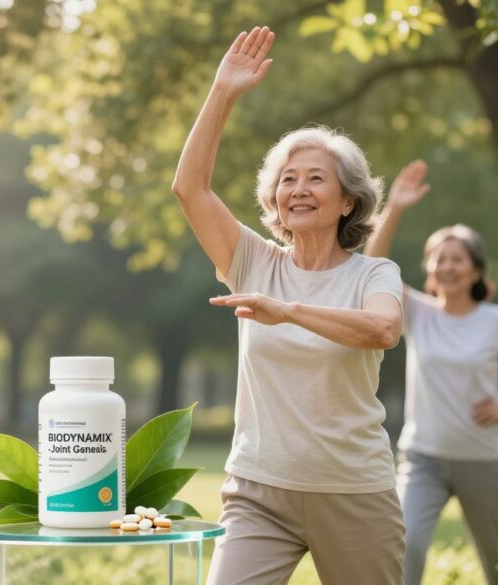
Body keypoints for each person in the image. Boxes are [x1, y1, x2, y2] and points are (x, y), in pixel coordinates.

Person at [172, 26, 407, 585]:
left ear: (347, 200)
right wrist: (222, 92)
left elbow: (382, 330)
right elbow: (190, 189)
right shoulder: (253, 261)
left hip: (354, 491)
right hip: (258, 490)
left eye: (315, 179)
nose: (297, 189)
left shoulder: (375, 272)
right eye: (287, 180)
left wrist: (290, 311)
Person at [366, 160, 498, 585]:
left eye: (457, 259)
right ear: (429, 269)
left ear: (475, 269)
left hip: (484, 460)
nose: (447, 266)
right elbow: (371, 264)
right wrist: (394, 207)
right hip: (423, 459)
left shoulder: (497, 320)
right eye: (439, 259)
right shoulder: (417, 312)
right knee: (406, 545)